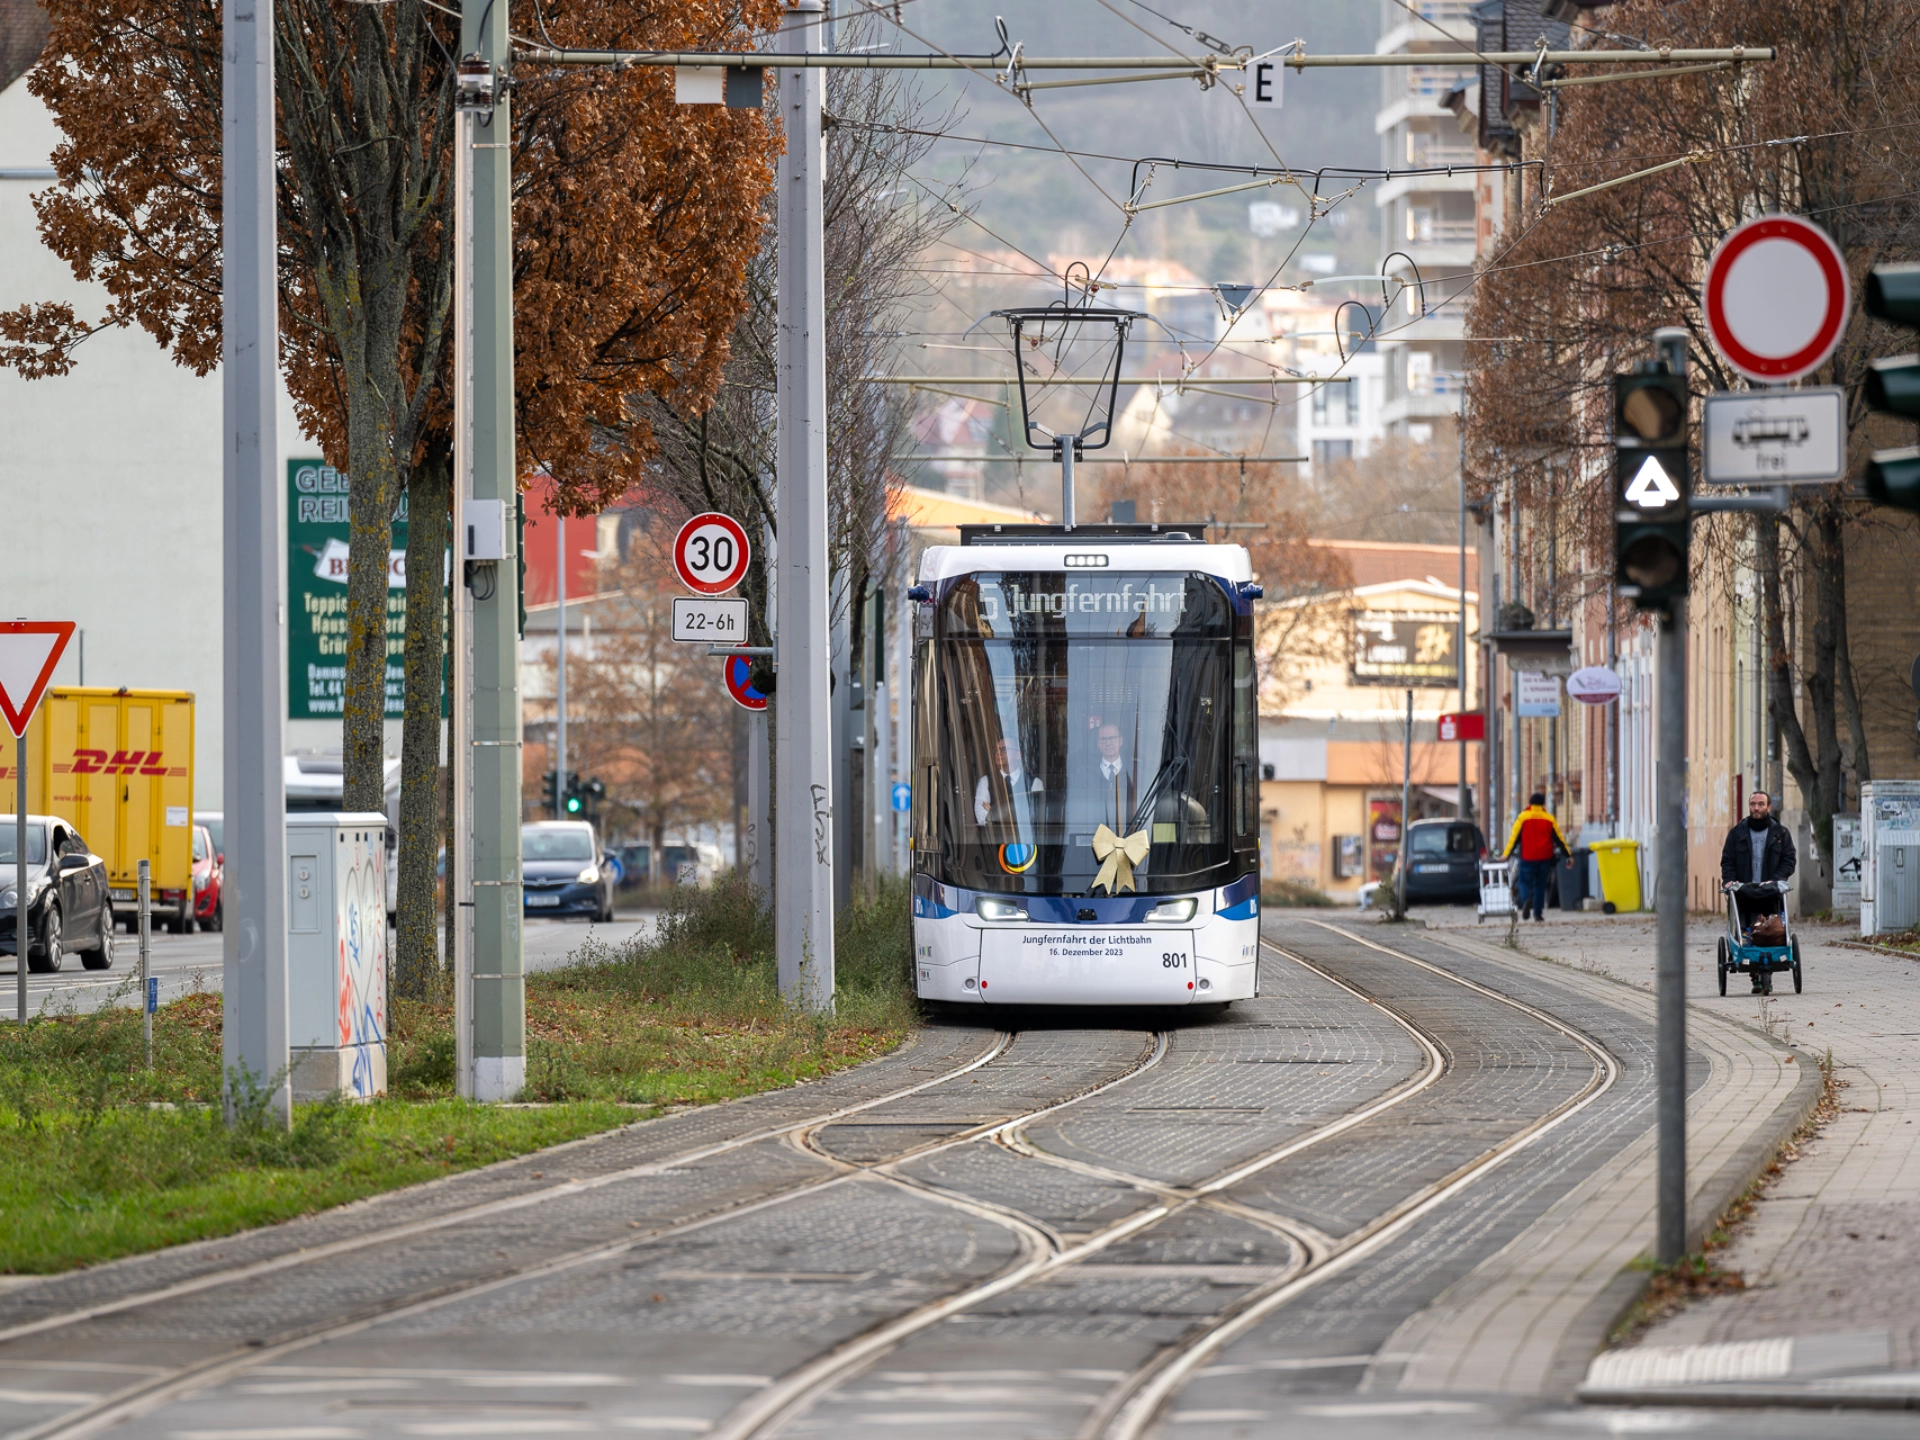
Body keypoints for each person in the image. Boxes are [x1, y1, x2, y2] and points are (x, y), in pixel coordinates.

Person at [1721, 791, 1796, 990]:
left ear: (1768, 807)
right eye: (1753, 804)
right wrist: (1729, 882)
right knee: (1747, 932)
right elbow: (1727, 861)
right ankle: (1755, 975)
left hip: (1770, 892)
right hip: (1744, 892)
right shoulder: (1737, 833)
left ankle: (1767, 974)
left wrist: (1777, 879)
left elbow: (1789, 860)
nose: (1756, 808)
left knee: (1769, 930)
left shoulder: (1780, 833)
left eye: (1761, 804)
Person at [1502, 792, 1570, 922]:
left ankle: (1527, 899)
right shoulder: (1549, 818)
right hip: (1545, 856)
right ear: (1543, 804)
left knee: (1523, 881)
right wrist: (1568, 855)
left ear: (1530, 803)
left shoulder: (1523, 817)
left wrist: (1506, 855)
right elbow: (1559, 839)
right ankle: (1538, 914)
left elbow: (1514, 838)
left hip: (1528, 856)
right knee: (1540, 885)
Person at [1075, 722, 1136, 832]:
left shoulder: (1134, 772)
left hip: (1129, 832)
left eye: (1112, 738)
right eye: (1103, 739)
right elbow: (1079, 809)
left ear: (1121, 741)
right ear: (1098, 743)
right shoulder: (1083, 773)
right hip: (1093, 833)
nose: (1108, 743)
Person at [975, 734, 1043, 826]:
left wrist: (993, 812)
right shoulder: (985, 782)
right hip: (997, 838)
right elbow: (981, 818)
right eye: (996, 750)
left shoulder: (1035, 783)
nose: (999, 753)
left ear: (1018, 755)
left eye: (1004, 749)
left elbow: (1036, 816)